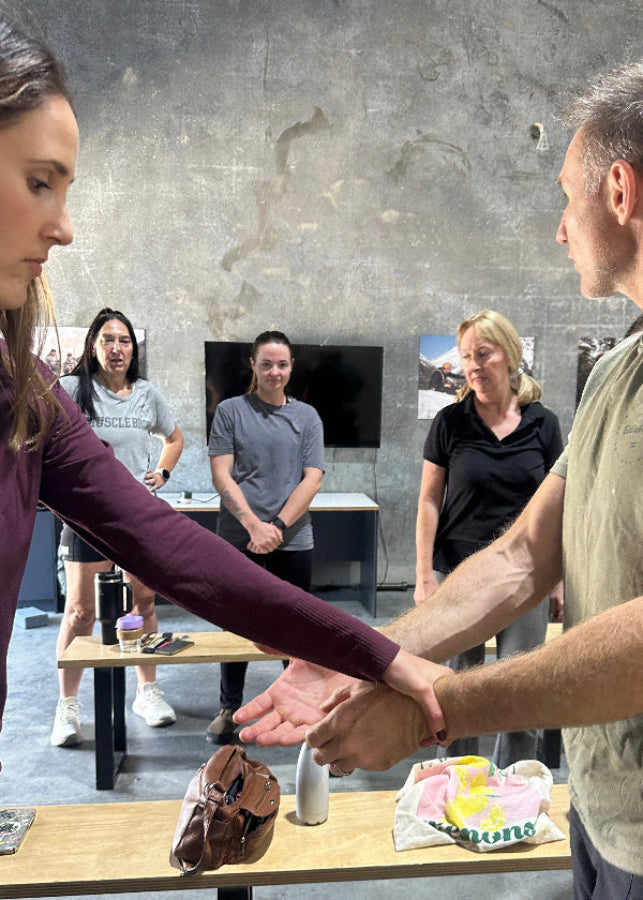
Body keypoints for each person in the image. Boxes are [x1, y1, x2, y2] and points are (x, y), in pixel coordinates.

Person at [235, 60, 643, 898]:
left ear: (618, 190)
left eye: (565, 200)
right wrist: (367, 653)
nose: (559, 231)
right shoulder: (616, 373)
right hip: (605, 816)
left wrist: (435, 707)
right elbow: (525, 555)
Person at [0, 13, 446, 768]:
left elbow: (164, 540)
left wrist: (368, 649)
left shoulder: (27, 392)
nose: (65, 227)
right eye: (40, 182)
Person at [415, 309, 563, 766]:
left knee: (522, 692)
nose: (474, 365)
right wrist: (423, 575)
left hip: (526, 574)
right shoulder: (450, 422)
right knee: (459, 692)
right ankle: (461, 788)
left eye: (484, 353)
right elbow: (428, 501)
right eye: (466, 357)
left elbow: (558, 506)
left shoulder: (543, 424)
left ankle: (512, 790)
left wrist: (558, 578)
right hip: (461, 574)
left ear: (510, 355)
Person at [51, 308, 184, 746]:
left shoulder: (146, 394)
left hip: (138, 516)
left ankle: (146, 691)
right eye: (107, 339)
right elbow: (43, 438)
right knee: (81, 612)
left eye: (124, 340)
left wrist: (161, 474)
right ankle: (67, 706)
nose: (116, 348)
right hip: (86, 516)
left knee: (141, 606)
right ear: (93, 346)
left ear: (133, 348)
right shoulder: (71, 389)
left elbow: (174, 438)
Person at [206, 330, 324, 744]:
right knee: (235, 625)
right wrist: (254, 527)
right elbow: (222, 473)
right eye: (267, 363)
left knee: (296, 630)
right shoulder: (230, 412)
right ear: (253, 365)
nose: (275, 371)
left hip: (293, 540)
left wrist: (276, 528)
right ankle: (229, 706)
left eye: (283, 364)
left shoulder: (307, 417)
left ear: (291, 368)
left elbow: (313, 478)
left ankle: (297, 707)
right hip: (239, 540)